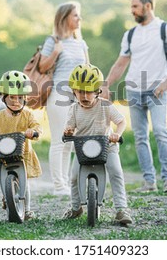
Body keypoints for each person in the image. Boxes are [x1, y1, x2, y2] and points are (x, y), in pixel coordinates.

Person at [104, 0, 167, 193]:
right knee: (140, 137)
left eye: (135, 6)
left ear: (148, 6)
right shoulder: (130, 34)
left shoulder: (165, 29)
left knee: (160, 132)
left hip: (157, 91)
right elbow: (121, 64)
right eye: (131, 7)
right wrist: (106, 84)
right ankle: (149, 182)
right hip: (133, 90)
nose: (132, 11)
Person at [62, 64, 133, 224]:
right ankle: (75, 207)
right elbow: (70, 127)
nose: (84, 95)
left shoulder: (105, 105)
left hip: (107, 146)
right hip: (82, 148)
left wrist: (116, 134)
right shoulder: (73, 109)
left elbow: (121, 121)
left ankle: (122, 209)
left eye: (88, 91)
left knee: (116, 172)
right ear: (74, 91)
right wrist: (68, 132)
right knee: (73, 177)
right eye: (80, 91)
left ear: (97, 91)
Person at [38, 1, 90, 196]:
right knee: (59, 140)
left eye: (79, 15)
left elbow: (88, 69)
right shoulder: (53, 41)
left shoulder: (81, 43)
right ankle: (59, 186)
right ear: (64, 17)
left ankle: (66, 184)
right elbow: (42, 67)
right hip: (58, 94)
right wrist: (56, 52)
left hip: (78, 96)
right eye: (75, 15)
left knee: (70, 141)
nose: (79, 19)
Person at [0, 70, 42, 219]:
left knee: (24, 183)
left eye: (20, 97)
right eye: (12, 97)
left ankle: (27, 210)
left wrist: (33, 131)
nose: (16, 101)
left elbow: (37, 126)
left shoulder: (28, 114)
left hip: (21, 152)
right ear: (3, 97)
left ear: (25, 98)